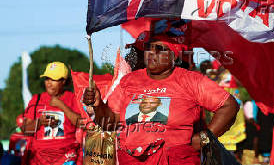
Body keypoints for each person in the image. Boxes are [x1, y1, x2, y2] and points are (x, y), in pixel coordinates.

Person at [83, 36, 239, 165]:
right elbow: (110, 123)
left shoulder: (190, 80)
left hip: (176, 160)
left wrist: (205, 138)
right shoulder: (129, 81)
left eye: (160, 49)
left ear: (173, 55)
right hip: (131, 160)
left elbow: (228, 105)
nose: (152, 52)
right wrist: (98, 106)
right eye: (149, 48)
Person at [22, 62, 81, 165]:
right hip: (39, 159)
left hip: (66, 158)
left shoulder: (73, 98)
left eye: (53, 79)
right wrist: (39, 122)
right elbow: (25, 130)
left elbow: (81, 123)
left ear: (63, 81)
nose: (49, 83)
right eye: (47, 79)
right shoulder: (36, 99)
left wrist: (61, 105)